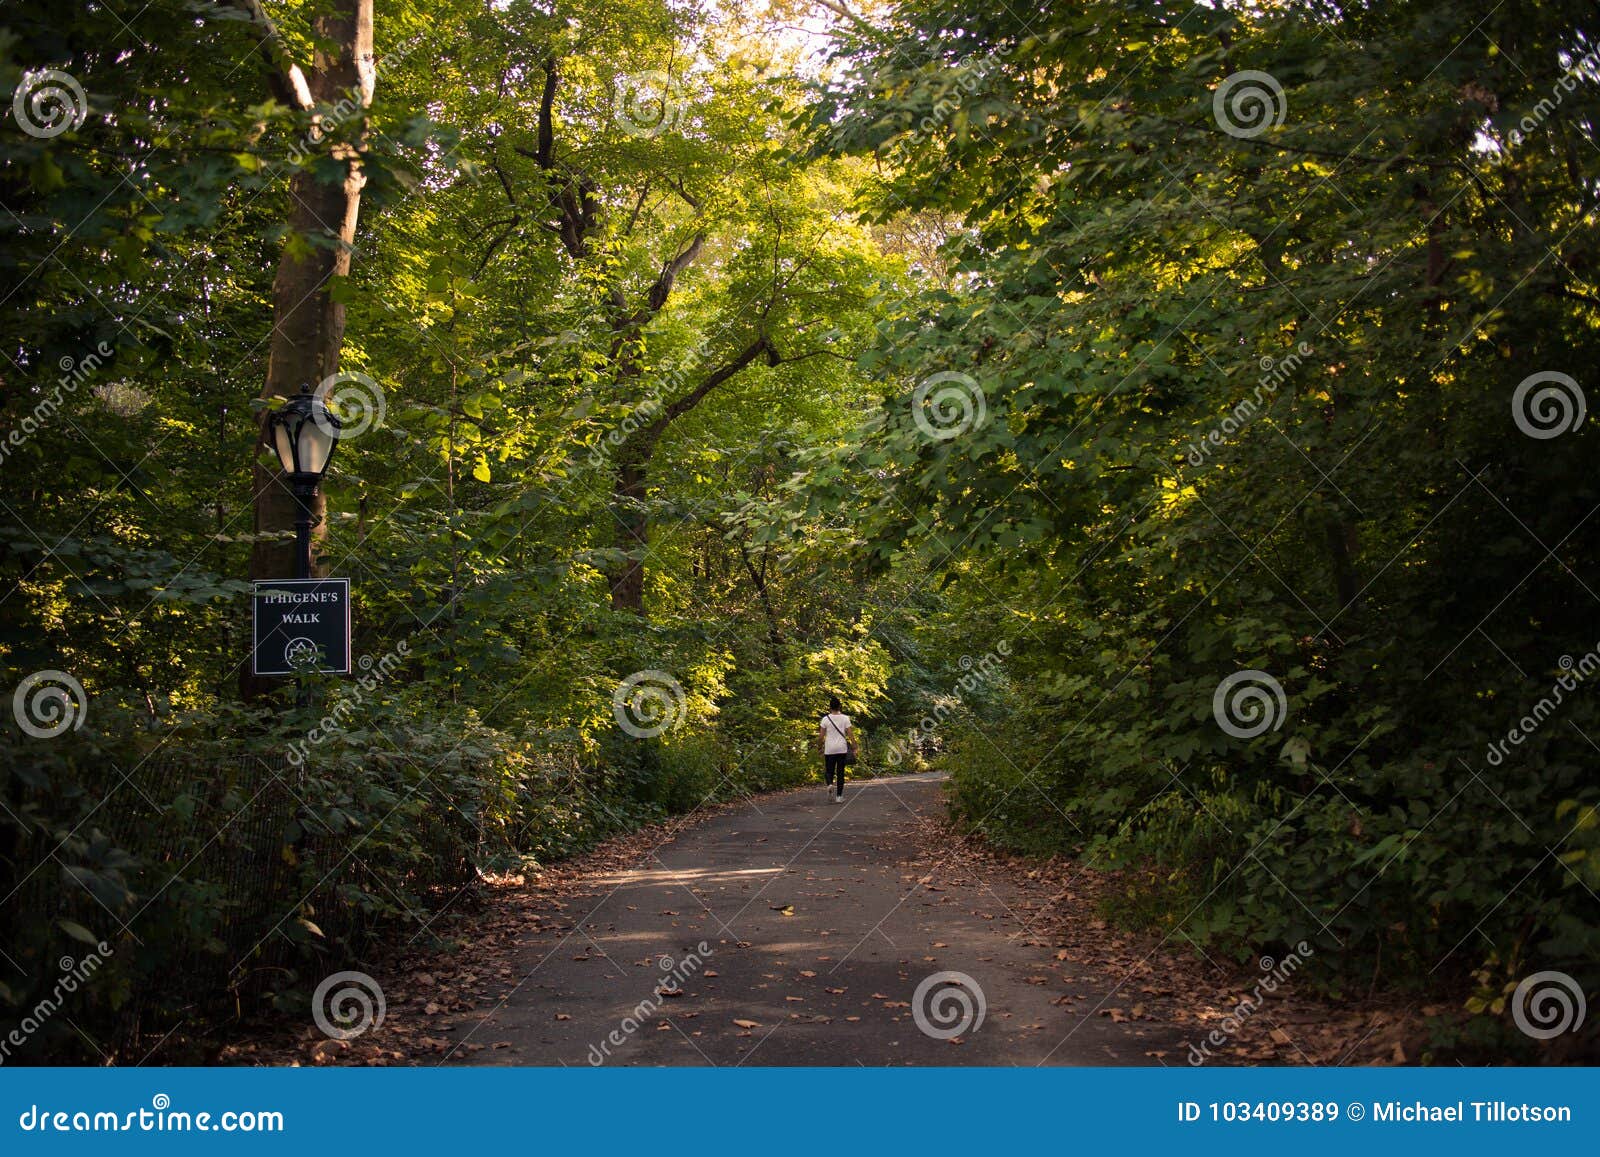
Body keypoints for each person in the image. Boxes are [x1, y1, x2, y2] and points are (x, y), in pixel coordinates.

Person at [819, 695, 853, 804]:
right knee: (840, 772)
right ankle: (839, 796)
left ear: (830, 707)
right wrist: (855, 746)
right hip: (841, 749)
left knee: (829, 770)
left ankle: (829, 784)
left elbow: (821, 736)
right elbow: (850, 734)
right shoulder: (845, 718)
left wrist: (819, 747)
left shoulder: (825, 719)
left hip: (829, 749)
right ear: (840, 706)